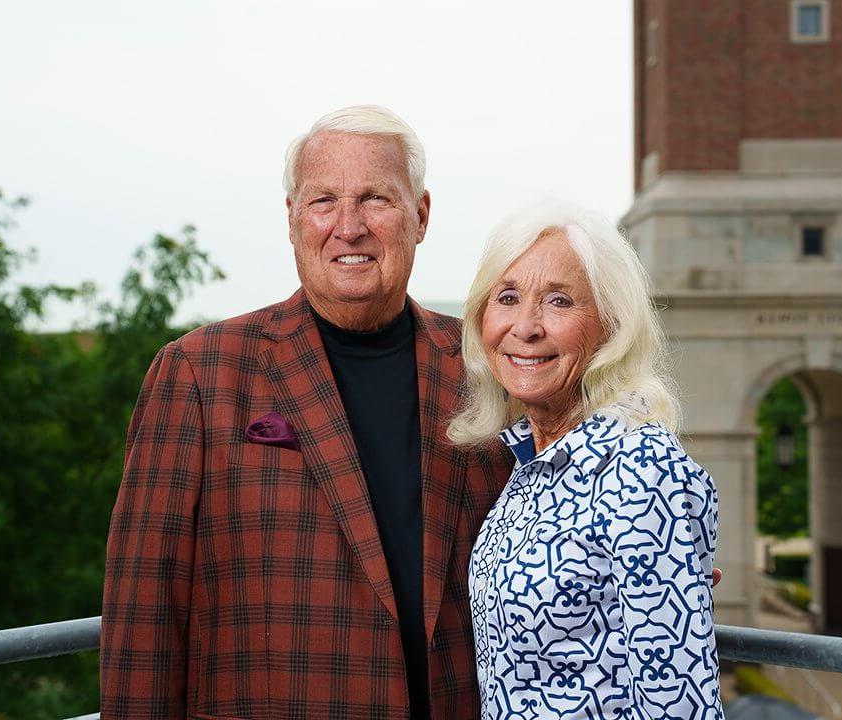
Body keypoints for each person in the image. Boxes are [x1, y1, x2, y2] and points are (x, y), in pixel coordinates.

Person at [100, 105, 512, 719]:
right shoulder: (198, 373)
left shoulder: (488, 367)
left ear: (420, 216)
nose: (348, 227)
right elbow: (144, 613)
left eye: (376, 198)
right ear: (292, 220)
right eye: (323, 201)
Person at [449, 202, 724, 719]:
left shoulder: (639, 469)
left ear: (611, 325)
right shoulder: (533, 463)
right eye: (507, 298)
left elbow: (680, 700)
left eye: (559, 301)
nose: (526, 326)